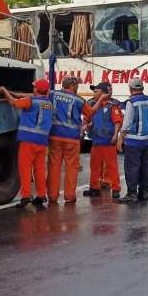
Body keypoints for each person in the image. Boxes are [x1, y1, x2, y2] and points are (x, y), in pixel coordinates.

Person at [0, 80, 53, 209]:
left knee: (25, 169)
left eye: (34, 87)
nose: (32, 88)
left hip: (28, 141)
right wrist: (13, 92)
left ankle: (26, 197)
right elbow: (23, 96)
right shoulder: (49, 103)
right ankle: (41, 195)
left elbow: (13, 102)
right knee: (39, 169)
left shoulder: (31, 101)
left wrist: (4, 91)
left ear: (36, 90)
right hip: (42, 141)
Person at [47, 76, 93, 204]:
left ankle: (52, 196)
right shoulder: (79, 100)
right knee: (71, 168)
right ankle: (69, 196)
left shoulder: (52, 94)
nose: (78, 87)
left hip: (54, 136)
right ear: (72, 86)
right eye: (77, 85)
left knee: (54, 167)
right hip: (72, 138)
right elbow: (89, 113)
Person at [83, 82, 123, 199]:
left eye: (96, 92)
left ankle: (116, 188)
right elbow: (91, 120)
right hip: (96, 141)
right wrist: (88, 126)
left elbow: (117, 122)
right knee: (94, 166)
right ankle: (94, 187)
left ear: (104, 94)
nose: (93, 94)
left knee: (112, 166)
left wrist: (116, 135)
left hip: (108, 142)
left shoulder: (112, 106)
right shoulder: (93, 106)